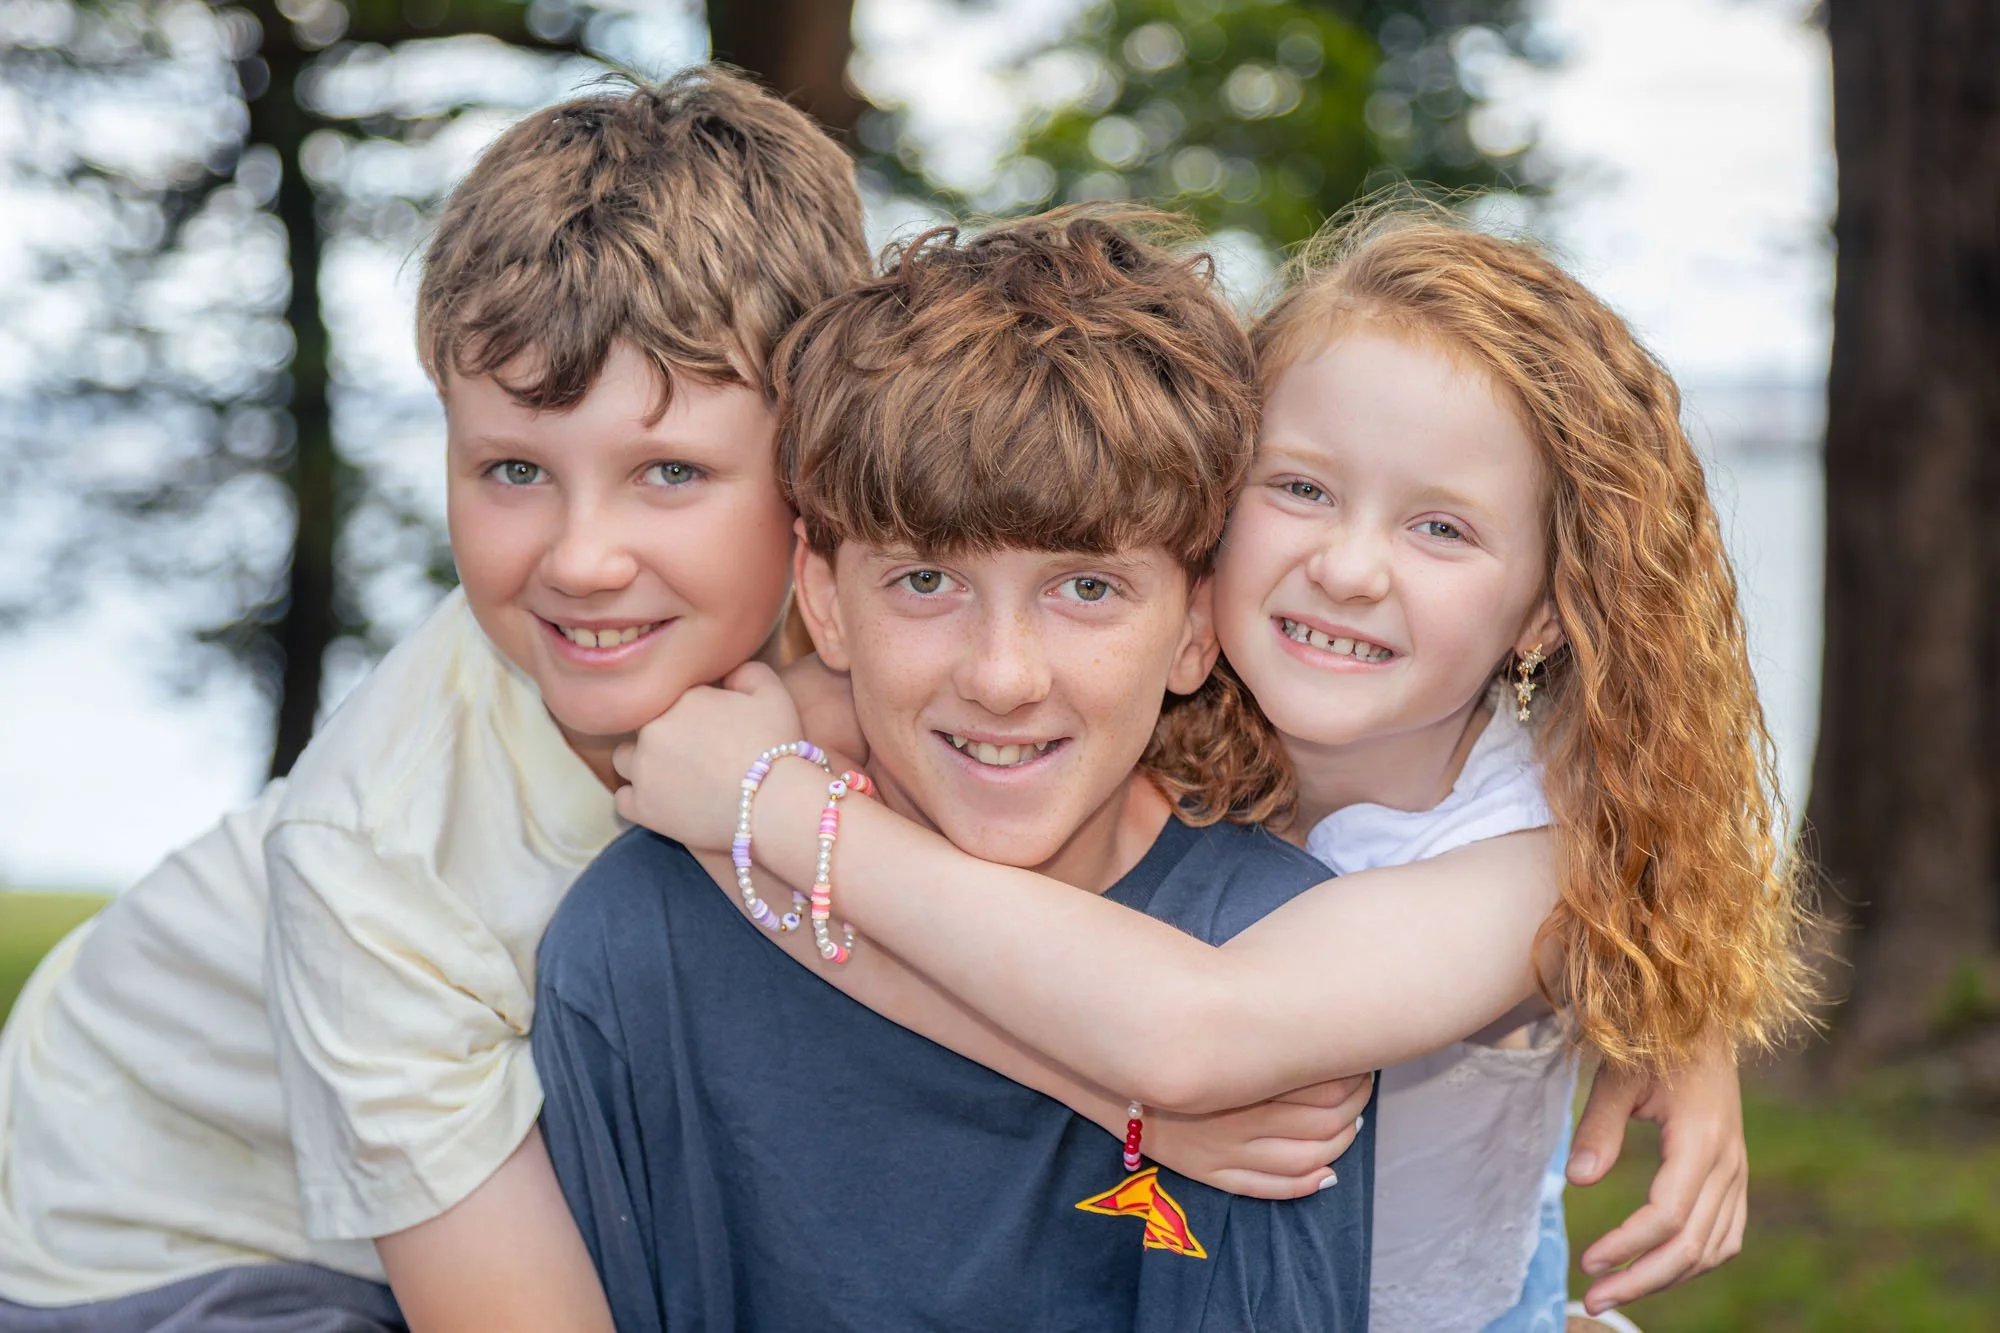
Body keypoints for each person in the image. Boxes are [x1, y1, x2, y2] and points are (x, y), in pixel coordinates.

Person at [614, 208, 1819, 1330]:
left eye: (1439, 526)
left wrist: (771, 809)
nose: (1347, 568)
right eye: (1299, 488)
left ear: (1547, 612)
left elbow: (1190, 1036)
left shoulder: (1538, 861)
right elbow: (767, 799)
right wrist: (1116, 1105)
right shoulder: (1147, 703)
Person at [0, 69, 869, 1332]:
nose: (580, 557)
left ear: (814, 462)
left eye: (668, 470)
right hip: (151, 1240)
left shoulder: (902, 647)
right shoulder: (377, 854)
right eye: (513, 468)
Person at [530, 209, 1376, 1331]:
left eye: (1086, 588)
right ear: (824, 600)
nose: (1002, 677)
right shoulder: (641, 941)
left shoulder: (1271, 953)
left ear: (1195, 626)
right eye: (925, 582)